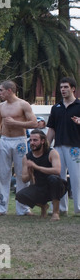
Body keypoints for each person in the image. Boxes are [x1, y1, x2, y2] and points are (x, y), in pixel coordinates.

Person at [0, 80, 38, 216]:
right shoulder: (1, 106)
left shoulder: (23, 104)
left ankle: (23, 208)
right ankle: (1, 207)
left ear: (9, 90)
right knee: (2, 173)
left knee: (22, 173)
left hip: (19, 141)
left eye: (1, 90)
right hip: (5, 140)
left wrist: (15, 122)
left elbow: (34, 123)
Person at [16, 130, 68, 221]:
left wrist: (37, 167)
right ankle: (44, 206)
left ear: (43, 141)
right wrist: (30, 174)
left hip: (55, 186)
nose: (32, 143)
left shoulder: (52, 152)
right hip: (39, 187)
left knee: (53, 179)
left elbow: (57, 170)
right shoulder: (27, 157)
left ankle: (56, 212)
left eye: (35, 140)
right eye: (31, 140)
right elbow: (24, 179)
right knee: (20, 195)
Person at [46, 77, 80, 215]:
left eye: (66, 87)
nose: (63, 90)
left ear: (73, 89)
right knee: (58, 178)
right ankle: (61, 208)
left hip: (75, 147)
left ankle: (78, 208)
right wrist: (46, 147)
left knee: (76, 177)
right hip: (58, 147)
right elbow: (51, 129)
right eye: (61, 87)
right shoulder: (56, 107)